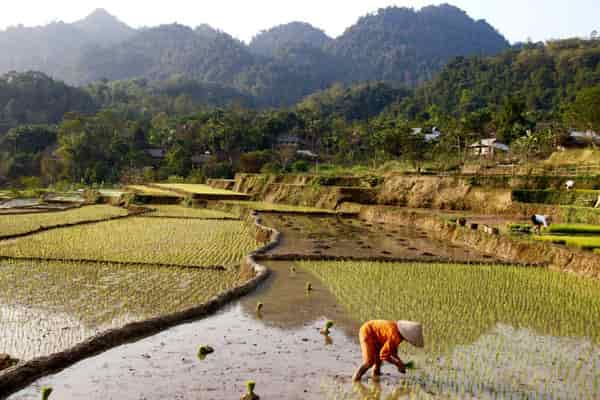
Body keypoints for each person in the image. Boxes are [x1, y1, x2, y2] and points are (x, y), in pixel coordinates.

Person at [353, 320, 424, 382]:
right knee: (369, 362)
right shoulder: (395, 335)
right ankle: (356, 378)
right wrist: (397, 364)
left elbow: (393, 351)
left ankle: (376, 375)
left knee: (378, 360)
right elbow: (383, 355)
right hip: (367, 331)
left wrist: (400, 362)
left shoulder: (398, 334)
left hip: (377, 334)